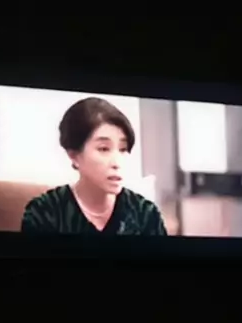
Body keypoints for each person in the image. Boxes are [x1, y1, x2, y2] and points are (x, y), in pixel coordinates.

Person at [21, 97, 167, 236]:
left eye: (123, 149)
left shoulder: (145, 214)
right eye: (103, 149)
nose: (117, 163)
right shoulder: (44, 213)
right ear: (74, 155)